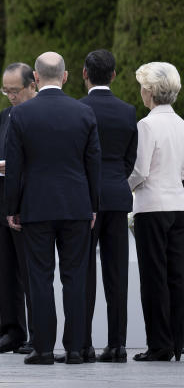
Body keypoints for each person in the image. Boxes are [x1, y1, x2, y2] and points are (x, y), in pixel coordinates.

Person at [5, 52, 101, 365]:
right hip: (76, 206)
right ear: (65, 76)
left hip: (37, 206)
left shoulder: (21, 115)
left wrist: (12, 208)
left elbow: (15, 168)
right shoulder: (84, 112)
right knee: (75, 277)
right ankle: (74, 348)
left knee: (40, 277)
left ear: (35, 76)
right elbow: (93, 165)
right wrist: (93, 207)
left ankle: (43, 348)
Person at [79, 50, 138, 363]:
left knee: (83, 273)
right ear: (114, 75)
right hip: (117, 196)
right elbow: (130, 159)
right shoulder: (128, 111)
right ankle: (117, 345)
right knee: (117, 276)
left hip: (85, 200)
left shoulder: (78, 109)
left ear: (84, 73)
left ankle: (84, 344)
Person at [0, 63, 37, 355]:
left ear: (31, 85)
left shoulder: (41, 113)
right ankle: (11, 332)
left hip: (29, 207)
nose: (10, 96)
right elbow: (0, 154)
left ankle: (38, 334)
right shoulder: (5, 115)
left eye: (15, 91)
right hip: (3, 204)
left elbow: (45, 161)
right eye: (6, 91)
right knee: (7, 273)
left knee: (31, 274)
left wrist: (14, 167)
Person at [127, 62, 184, 362]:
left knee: (154, 277)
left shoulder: (147, 125)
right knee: (177, 275)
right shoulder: (181, 124)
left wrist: (126, 187)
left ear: (148, 92)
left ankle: (159, 344)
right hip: (178, 205)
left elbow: (140, 171)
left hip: (151, 207)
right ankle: (178, 340)